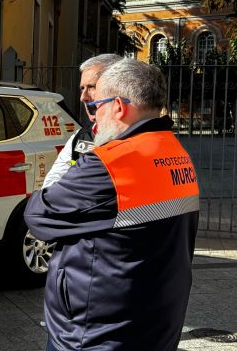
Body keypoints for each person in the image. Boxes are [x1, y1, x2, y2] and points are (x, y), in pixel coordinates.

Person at [25, 58, 200, 350]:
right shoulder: (174, 150)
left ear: (118, 106)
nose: (93, 113)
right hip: (155, 322)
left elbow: (38, 214)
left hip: (97, 332)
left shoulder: (111, 164)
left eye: (97, 105)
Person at [42, 53, 121, 188]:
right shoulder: (79, 137)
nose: (83, 97)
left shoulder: (138, 140)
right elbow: (51, 185)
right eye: (82, 88)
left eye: (92, 87)